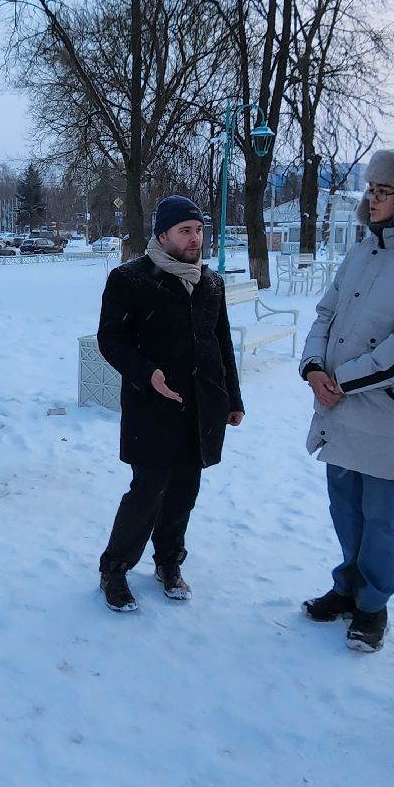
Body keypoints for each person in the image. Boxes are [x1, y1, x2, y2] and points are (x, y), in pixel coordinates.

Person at [299, 150, 394, 651]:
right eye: (371, 190)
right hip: (338, 406)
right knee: (344, 509)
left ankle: (373, 606)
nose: (372, 199)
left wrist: (342, 380)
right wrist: (314, 368)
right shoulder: (363, 250)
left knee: (379, 518)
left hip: (382, 413)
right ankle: (346, 587)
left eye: (383, 192)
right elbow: (326, 312)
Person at [95, 195, 244, 611]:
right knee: (147, 492)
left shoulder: (210, 282)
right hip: (154, 409)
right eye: (185, 231)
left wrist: (233, 398)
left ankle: (168, 562)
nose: (195, 238)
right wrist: (147, 373)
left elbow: (222, 342)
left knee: (184, 492)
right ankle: (115, 569)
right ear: (163, 234)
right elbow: (112, 340)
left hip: (201, 409)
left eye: (198, 230)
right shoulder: (131, 279)